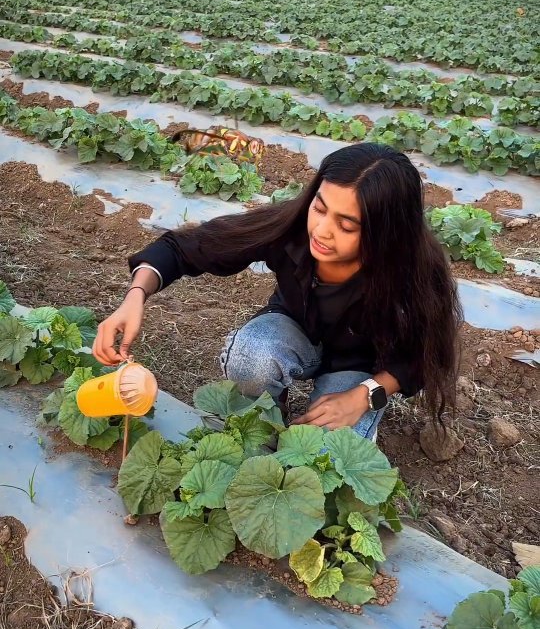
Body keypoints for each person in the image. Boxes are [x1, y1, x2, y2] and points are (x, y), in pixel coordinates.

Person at [92, 143, 462, 439]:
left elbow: (424, 355)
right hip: (293, 331)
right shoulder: (290, 229)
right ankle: (263, 426)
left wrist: (363, 397)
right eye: (320, 208)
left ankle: (336, 408)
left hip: (359, 369)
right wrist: (136, 295)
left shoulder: (414, 272)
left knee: (329, 454)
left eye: (347, 225)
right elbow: (186, 247)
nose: (322, 231)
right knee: (252, 355)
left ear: (386, 232)